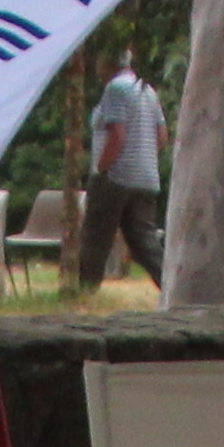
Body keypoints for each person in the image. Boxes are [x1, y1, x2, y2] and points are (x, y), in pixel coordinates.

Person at [69, 59, 166, 292]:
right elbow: (162, 136)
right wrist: (144, 157)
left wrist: (102, 168)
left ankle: (86, 291)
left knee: (96, 237)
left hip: (115, 177)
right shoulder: (147, 90)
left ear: (109, 64)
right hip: (146, 178)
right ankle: (173, 288)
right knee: (145, 241)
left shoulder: (115, 89)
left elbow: (118, 135)